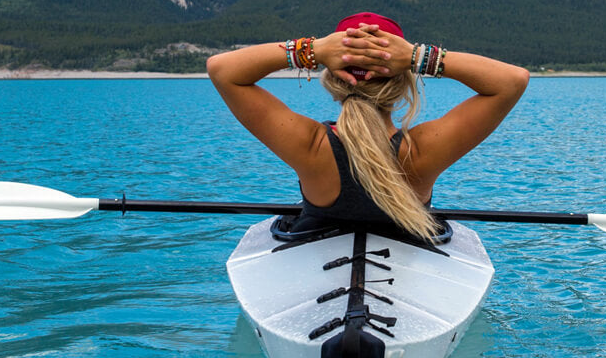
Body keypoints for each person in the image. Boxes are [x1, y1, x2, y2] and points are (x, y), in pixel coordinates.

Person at [206, 12, 529, 241]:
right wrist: (418, 55)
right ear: (404, 80)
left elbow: (222, 70)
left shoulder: (309, 146)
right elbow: (512, 80)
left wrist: (312, 50)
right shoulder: (422, 151)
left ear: (332, 77)